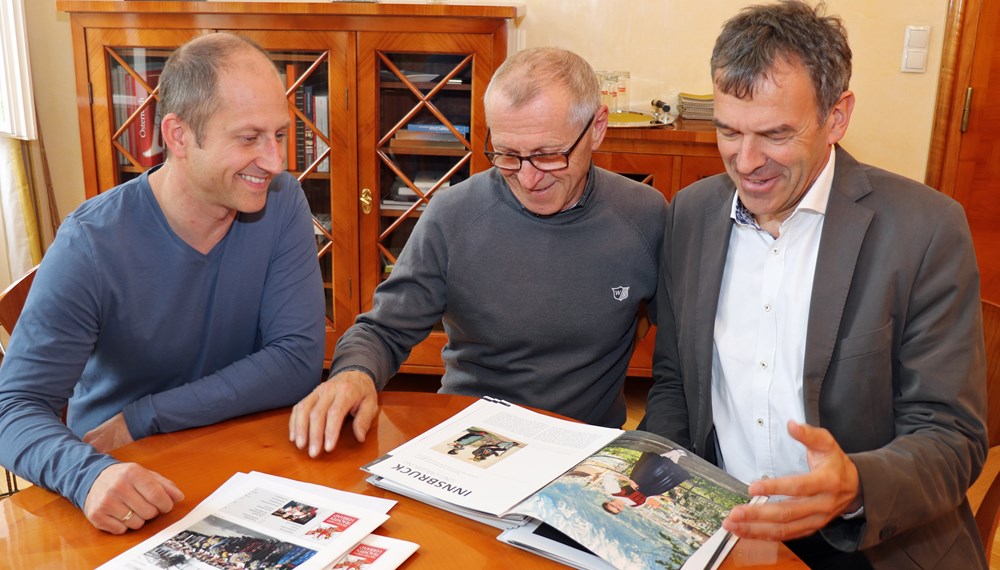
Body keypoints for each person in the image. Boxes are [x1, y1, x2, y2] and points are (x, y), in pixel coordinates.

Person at [640, 2, 987, 568]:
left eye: (775, 134)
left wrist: (854, 486)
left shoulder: (925, 230)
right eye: (728, 130)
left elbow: (952, 437)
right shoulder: (691, 215)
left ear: (837, 116)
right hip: (727, 528)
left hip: (868, 540)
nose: (745, 162)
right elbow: (676, 383)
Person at [0, 33, 325, 534]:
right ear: (176, 135)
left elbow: (298, 359)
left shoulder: (282, 203)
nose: (276, 161)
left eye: (279, 134)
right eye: (248, 137)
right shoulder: (91, 242)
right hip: (123, 482)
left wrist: (145, 415)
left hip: (243, 459)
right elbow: (15, 408)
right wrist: (87, 476)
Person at [289, 47, 666, 457]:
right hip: (472, 442)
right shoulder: (454, 215)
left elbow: (685, 358)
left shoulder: (644, 216)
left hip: (584, 449)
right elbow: (384, 330)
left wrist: (646, 446)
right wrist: (354, 374)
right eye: (506, 154)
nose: (527, 178)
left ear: (596, 128)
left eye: (547, 155)